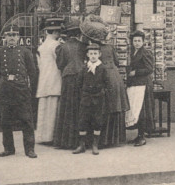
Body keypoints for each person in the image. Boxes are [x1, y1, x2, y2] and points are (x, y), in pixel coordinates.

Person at [79, 15, 129, 148]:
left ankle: (100, 140)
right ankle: (113, 139)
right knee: (113, 108)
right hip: (115, 78)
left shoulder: (93, 50)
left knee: (102, 108)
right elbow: (117, 62)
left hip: (104, 78)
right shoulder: (110, 48)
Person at [0, 26, 38, 159]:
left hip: (21, 88)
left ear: (18, 38)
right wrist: (1, 85)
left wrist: (28, 87)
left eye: (14, 35)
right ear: (5, 38)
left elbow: (32, 72)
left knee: (26, 119)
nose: (11, 38)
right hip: (6, 88)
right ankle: (8, 148)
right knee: (5, 120)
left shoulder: (25, 52)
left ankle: (29, 149)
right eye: (9, 35)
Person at [52, 18, 87, 149]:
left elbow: (60, 65)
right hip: (81, 77)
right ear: (79, 33)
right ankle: (81, 140)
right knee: (80, 108)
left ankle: (66, 140)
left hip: (68, 78)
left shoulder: (61, 47)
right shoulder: (83, 46)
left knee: (67, 107)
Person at [73, 43, 109, 155]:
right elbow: (78, 83)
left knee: (97, 121)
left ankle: (95, 145)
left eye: (95, 53)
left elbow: (107, 84)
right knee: (82, 121)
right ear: (87, 55)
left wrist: (102, 92)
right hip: (86, 98)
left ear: (99, 54)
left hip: (98, 99)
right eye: (91, 54)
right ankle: (82, 145)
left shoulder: (102, 68)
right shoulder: (84, 68)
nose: (93, 56)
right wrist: (83, 94)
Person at [36, 18, 63, 145]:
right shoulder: (56, 46)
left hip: (44, 80)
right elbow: (60, 63)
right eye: (58, 32)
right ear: (55, 32)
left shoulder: (41, 47)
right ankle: (50, 137)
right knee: (52, 110)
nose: (59, 34)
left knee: (43, 109)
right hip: (54, 80)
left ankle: (41, 136)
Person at [126, 30, 154, 146]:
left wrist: (135, 72)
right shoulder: (134, 52)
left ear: (143, 42)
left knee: (141, 110)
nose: (136, 43)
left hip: (142, 84)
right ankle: (138, 135)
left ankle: (142, 136)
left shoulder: (145, 53)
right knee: (135, 109)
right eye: (135, 41)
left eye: (139, 41)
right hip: (135, 84)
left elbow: (149, 69)